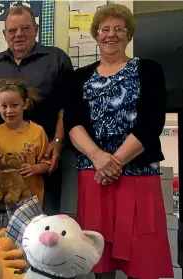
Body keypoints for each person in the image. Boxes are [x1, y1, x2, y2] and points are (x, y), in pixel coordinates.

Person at [64, 4, 173, 279]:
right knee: (99, 255)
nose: (111, 34)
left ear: (128, 35)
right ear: (96, 35)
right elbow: (72, 124)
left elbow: (151, 123)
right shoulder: (79, 77)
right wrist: (100, 159)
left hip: (137, 173)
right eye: (104, 29)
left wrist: (114, 162)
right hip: (94, 173)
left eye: (118, 29)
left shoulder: (148, 70)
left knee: (142, 255)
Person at [0, 4, 73, 214]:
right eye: (12, 30)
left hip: (44, 159)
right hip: (0, 165)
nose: (18, 34)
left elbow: (68, 105)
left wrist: (58, 140)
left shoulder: (57, 59)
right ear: (4, 34)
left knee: (44, 226)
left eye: (25, 28)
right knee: (0, 225)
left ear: (35, 29)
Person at [0, 78, 51, 205]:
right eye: (4, 106)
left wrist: (35, 168)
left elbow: (47, 163)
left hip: (31, 199)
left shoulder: (38, 131)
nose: (9, 111)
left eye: (14, 105)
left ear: (25, 104)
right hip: (4, 200)